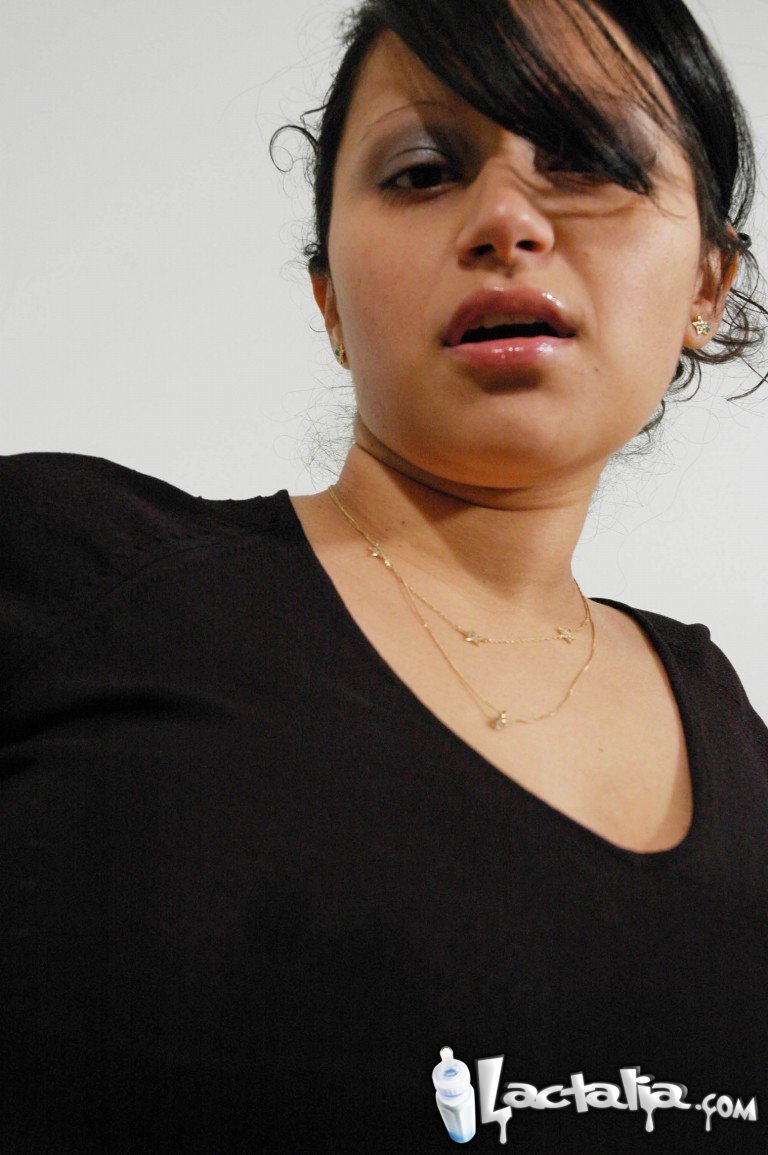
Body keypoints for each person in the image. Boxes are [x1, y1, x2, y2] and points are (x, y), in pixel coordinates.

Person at [2, 0, 767, 1151]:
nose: (506, 220)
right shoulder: (68, 578)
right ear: (330, 302)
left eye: (590, 161)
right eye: (421, 174)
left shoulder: (742, 755)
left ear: (708, 287)